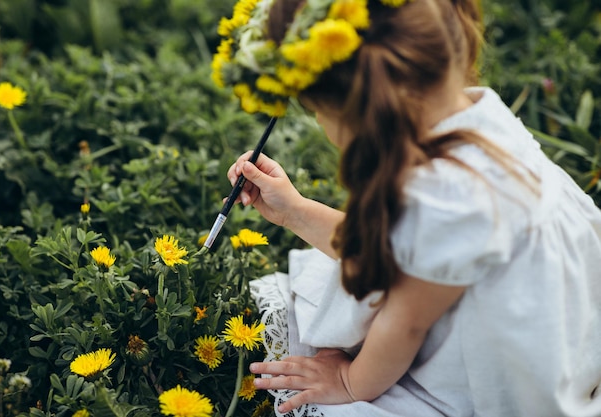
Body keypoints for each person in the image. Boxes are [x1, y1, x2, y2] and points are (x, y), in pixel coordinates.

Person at [213, 0, 601, 416]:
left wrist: (349, 380)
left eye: (318, 112)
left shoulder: (444, 201)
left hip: (520, 362)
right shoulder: (468, 113)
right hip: (569, 319)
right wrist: (293, 211)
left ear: (365, 113)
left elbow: (404, 324)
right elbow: (395, 249)